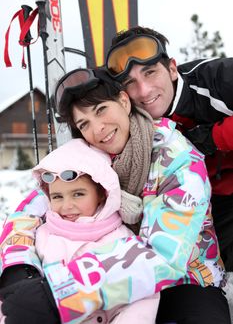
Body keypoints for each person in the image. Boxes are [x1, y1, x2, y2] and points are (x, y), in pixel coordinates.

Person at [0, 68, 231, 324]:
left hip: (185, 281)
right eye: (84, 124)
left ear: (123, 101)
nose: (98, 129)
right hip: (107, 283)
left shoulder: (178, 158)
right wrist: (19, 267)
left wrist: (59, 294)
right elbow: (28, 212)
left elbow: (163, 254)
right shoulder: (85, 159)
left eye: (101, 110)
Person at [106, 26, 233, 272]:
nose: (144, 91)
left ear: (172, 69)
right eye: (131, 83)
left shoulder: (217, 78)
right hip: (207, 207)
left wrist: (215, 136)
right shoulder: (128, 119)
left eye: (151, 73)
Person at [33, 138, 159, 323]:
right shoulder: (42, 236)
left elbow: (143, 296)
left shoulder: (122, 239)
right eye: (57, 196)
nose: (67, 205)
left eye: (78, 194)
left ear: (102, 193)